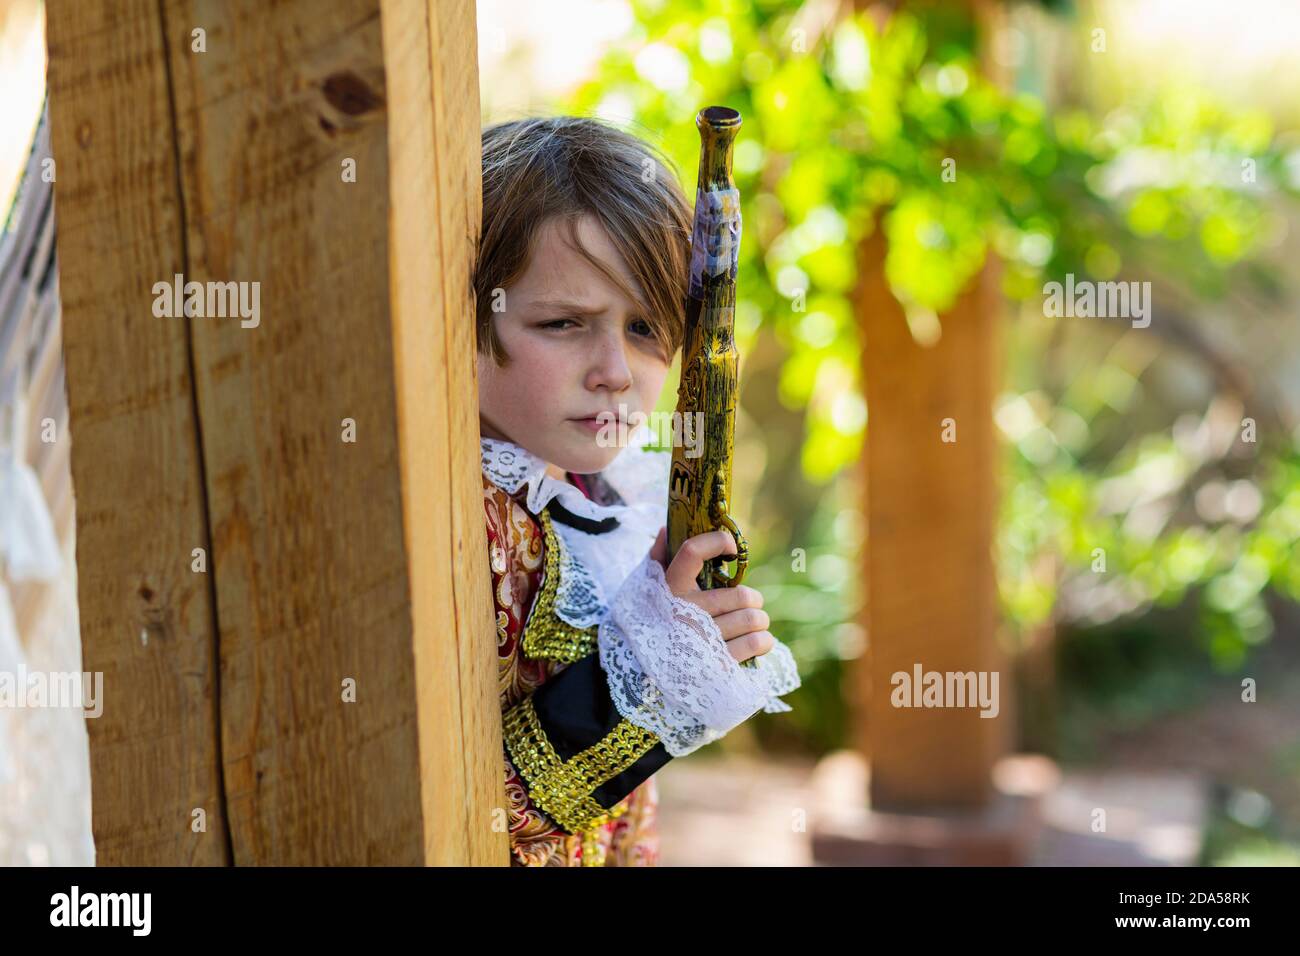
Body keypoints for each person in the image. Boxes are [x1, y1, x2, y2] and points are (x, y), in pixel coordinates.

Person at [476, 116, 800, 866]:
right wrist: (649, 673)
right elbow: (478, 805)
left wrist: (681, 625)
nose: (616, 371)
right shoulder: (466, 521)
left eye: (647, 328)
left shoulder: (612, 498)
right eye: (563, 322)